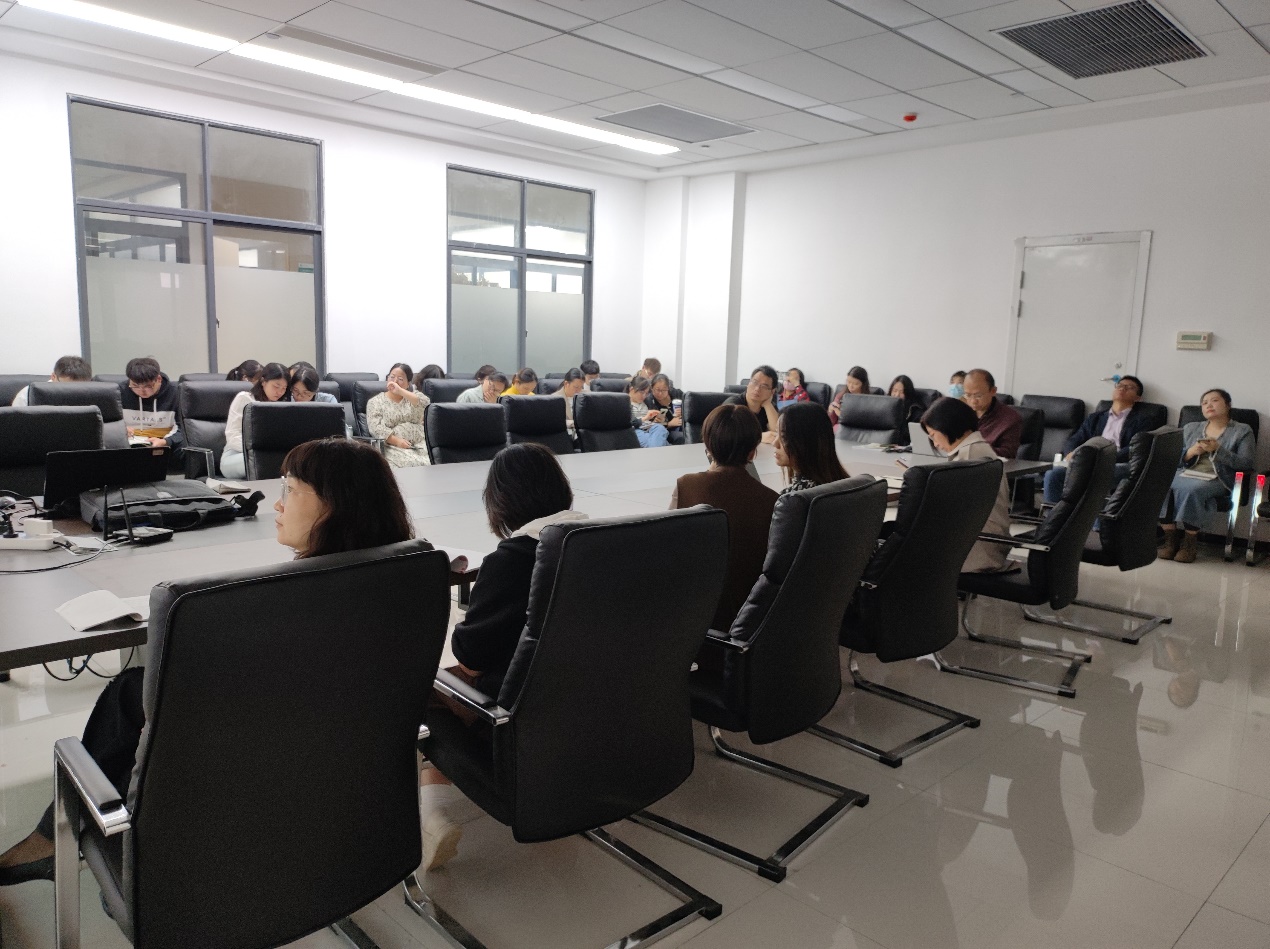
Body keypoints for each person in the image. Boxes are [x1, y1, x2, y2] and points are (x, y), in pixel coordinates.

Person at [0, 438, 417, 888]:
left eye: (291, 490)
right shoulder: (409, 575)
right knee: (137, 694)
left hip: (255, 786)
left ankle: (66, 834)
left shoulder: (284, 600)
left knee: (133, 693)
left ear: (336, 505)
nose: (277, 504)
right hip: (346, 782)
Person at [418, 444, 585, 869]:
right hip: (596, 712)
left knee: (423, 689)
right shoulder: (604, 541)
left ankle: (431, 812)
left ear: (500, 502)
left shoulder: (513, 559)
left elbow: (470, 656)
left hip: (523, 725)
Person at [671, 403, 778, 631]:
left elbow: (668, 551)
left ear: (708, 446)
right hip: (753, 618)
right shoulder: (773, 500)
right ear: (753, 452)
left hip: (694, 616)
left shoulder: (686, 485)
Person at [1158, 388, 1256, 564]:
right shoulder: (1191, 428)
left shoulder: (1242, 430)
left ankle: (1189, 544)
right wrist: (1189, 453)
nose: (1208, 405)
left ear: (1228, 405)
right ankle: (1170, 540)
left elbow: (1246, 463)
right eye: (1204, 403)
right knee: (1159, 484)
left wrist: (1218, 450)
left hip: (1219, 478)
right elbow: (1175, 459)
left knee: (1192, 490)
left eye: (1214, 401)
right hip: (1186, 473)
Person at [920, 397, 1013, 573]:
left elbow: (948, 511)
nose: (935, 444)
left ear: (947, 426)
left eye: (933, 435)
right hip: (987, 544)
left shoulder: (968, 457)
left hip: (974, 550)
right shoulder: (978, 448)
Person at [1042, 376, 1155, 504]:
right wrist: (1071, 452)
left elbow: (1135, 448)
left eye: (1129, 387)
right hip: (1086, 461)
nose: (1122, 389)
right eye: (1120, 385)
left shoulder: (1143, 421)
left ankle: (1088, 516)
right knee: (1053, 474)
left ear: (1138, 398)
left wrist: (1105, 459)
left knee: (1096, 474)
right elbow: (1075, 439)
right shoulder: (1095, 418)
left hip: (1117, 463)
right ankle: (1054, 515)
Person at [220, 362, 290, 479]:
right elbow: (232, 435)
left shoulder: (281, 406)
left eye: (284, 388)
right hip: (235, 457)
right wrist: (257, 450)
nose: (279, 392)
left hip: (266, 456)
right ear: (263, 381)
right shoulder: (245, 398)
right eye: (276, 386)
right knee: (268, 460)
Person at [773, 402, 848, 495]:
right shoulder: (848, 485)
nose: (774, 443)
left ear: (807, 442)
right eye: (776, 433)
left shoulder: (796, 497)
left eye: (784, 437)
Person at [367, 362, 430, 468]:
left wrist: (400, 391)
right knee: (412, 463)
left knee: (435, 462)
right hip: (393, 445)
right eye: (392, 377)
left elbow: (425, 403)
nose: (395, 382)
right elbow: (375, 428)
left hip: (420, 442)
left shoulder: (412, 397)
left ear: (408, 383)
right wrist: (397, 441)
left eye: (400, 379)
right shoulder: (375, 402)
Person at [119, 357, 185, 453]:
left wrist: (166, 441)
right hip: (130, 443)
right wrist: (119, 430)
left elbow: (184, 428)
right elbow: (108, 424)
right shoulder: (119, 392)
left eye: (148, 386)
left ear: (158, 379)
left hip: (166, 442)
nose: (141, 391)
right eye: (135, 386)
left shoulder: (176, 393)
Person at [962, 369, 1022, 459]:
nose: (973, 401)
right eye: (968, 395)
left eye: (978, 396)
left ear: (993, 391)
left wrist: (976, 449)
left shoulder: (1010, 418)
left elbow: (1008, 455)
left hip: (990, 466)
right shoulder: (962, 412)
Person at [726, 365, 780, 444]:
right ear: (748, 383)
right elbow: (727, 434)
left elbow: (777, 432)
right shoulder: (733, 405)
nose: (757, 389)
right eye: (754, 382)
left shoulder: (769, 406)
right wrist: (758, 437)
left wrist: (768, 405)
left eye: (764, 386)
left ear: (772, 391)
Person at [10, 355, 92, 405]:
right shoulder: (27, 395)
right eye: (66, 386)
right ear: (53, 377)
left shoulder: (92, 394)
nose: (72, 392)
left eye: (79, 387)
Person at [628, 375, 670, 447]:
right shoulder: (624, 402)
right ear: (632, 389)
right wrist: (645, 418)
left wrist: (660, 419)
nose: (644, 396)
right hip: (636, 429)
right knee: (659, 441)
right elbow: (629, 423)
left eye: (646, 393)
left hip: (651, 427)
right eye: (642, 392)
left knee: (660, 428)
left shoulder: (647, 401)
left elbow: (655, 418)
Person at [645, 373, 685, 445]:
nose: (660, 393)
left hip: (683, 425)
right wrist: (669, 424)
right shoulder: (649, 401)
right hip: (667, 431)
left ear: (668, 388)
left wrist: (683, 411)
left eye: (664, 390)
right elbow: (651, 426)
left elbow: (691, 409)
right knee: (682, 437)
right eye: (657, 390)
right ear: (652, 388)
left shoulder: (677, 394)